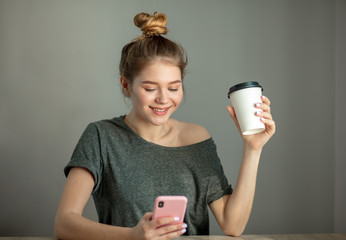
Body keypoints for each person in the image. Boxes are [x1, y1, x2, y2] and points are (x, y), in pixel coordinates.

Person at [55, 12, 275, 240]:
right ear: (126, 85)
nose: (163, 99)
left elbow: (233, 225)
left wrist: (253, 148)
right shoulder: (101, 137)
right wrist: (132, 235)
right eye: (150, 89)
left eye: (173, 88)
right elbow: (64, 223)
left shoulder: (197, 138)